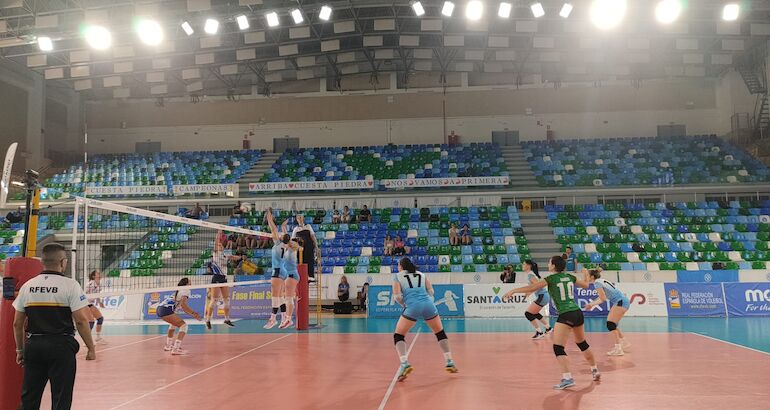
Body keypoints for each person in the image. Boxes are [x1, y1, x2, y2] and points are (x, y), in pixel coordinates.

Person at [12, 243, 96, 409]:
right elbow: (81, 320)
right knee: (61, 398)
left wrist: (20, 350)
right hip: (61, 346)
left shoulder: (28, 286)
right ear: (63, 262)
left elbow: (17, 323)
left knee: (29, 398)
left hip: (34, 345)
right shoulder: (70, 285)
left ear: (42, 262)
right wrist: (91, 348)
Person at [504, 255, 600, 389]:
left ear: (554, 266)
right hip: (577, 312)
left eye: (549, 263)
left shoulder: (550, 279)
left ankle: (567, 378)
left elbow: (532, 288)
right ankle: (594, 369)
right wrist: (586, 275)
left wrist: (513, 290)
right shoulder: (570, 277)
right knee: (582, 343)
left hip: (566, 313)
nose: (548, 265)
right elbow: (586, 285)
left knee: (558, 347)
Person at [392, 257, 458, 381]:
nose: (398, 267)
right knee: (440, 333)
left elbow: (397, 297)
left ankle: (404, 363)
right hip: (428, 304)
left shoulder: (398, 276)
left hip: (412, 306)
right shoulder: (421, 274)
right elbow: (431, 291)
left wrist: (404, 305)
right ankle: (450, 361)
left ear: (401, 266)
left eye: (398, 265)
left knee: (398, 335)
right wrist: (426, 300)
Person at [584, 269, 632, 356]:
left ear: (592, 277)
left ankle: (618, 349)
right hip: (623, 301)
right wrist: (591, 304)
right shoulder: (601, 281)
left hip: (620, 302)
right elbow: (603, 297)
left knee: (610, 324)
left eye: (587, 275)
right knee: (612, 324)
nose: (586, 277)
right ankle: (624, 342)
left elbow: (602, 299)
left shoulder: (597, 283)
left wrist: (591, 304)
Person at [155, 277, 202, 355]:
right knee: (184, 326)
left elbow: (182, 307)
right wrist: (194, 313)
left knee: (173, 325)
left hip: (160, 308)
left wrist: (192, 314)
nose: (191, 284)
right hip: (166, 309)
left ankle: (168, 346)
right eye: (190, 282)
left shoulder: (179, 290)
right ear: (187, 284)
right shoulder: (186, 290)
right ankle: (176, 349)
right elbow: (184, 305)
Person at [204, 235, 236, 329]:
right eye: (218, 245)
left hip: (224, 279)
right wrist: (218, 234)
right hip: (216, 278)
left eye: (221, 245)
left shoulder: (224, 255)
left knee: (227, 300)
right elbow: (216, 243)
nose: (220, 246)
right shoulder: (215, 254)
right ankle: (208, 320)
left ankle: (227, 319)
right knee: (214, 300)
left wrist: (240, 257)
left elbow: (232, 257)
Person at [264, 211, 289, 329]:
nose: (279, 234)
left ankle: (273, 319)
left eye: (281, 234)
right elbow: (285, 235)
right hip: (283, 271)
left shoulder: (278, 244)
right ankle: (284, 318)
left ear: (282, 238)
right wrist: (283, 227)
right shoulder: (286, 245)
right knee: (280, 297)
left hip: (278, 271)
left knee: (275, 297)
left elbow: (273, 228)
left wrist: (269, 218)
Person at [521, 260, 552, 339]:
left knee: (528, 313)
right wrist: (529, 292)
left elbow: (538, 286)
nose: (522, 265)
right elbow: (536, 286)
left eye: (524, 264)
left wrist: (529, 291)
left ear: (528, 266)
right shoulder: (531, 274)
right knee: (534, 313)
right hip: (543, 296)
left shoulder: (530, 275)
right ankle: (548, 328)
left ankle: (539, 332)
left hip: (542, 295)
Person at [291, 214, 319, 279]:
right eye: (298, 218)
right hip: (300, 250)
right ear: (297, 219)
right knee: (301, 262)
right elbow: (293, 240)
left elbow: (313, 237)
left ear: (303, 218)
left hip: (309, 247)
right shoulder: (295, 229)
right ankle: (302, 277)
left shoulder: (308, 226)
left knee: (310, 262)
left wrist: (316, 246)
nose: (300, 219)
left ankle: (311, 277)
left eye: (301, 217)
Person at [85, 270, 106, 343]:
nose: (100, 274)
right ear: (94, 276)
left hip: (90, 303)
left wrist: (100, 302)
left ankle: (98, 338)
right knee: (91, 322)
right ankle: (87, 340)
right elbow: (83, 294)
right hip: (85, 304)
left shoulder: (99, 285)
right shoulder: (89, 284)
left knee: (100, 319)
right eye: (98, 273)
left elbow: (97, 295)